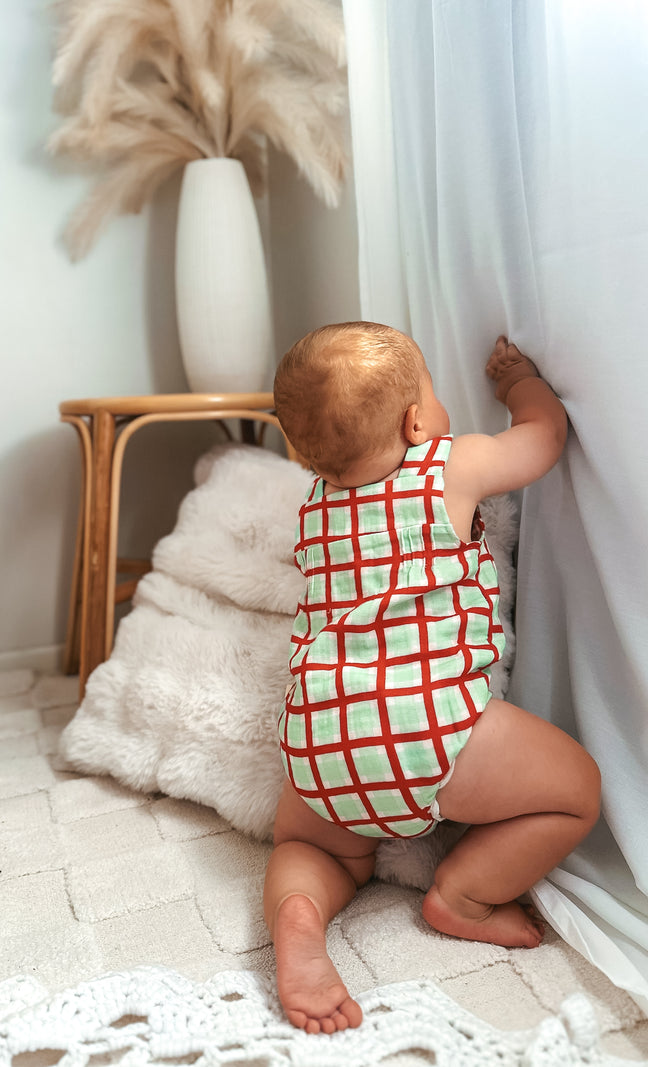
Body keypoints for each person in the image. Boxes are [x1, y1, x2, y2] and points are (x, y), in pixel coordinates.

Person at [265, 323, 601, 1035]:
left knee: (310, 847)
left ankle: (299, 916)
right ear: (418, 420)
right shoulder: (449, 466)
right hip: (427, 731)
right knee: (577, 792)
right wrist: (519, 386)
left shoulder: (316, 508)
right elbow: (544, 436)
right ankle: (464, 893)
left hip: (319, 742)